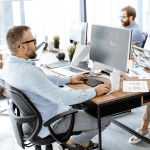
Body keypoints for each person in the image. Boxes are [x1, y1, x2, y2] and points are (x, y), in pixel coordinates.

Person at [2, 25, 111, 150]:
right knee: (105, 118)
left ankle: (78, 141)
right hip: (53, 121)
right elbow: (63, 97)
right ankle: (72, 142)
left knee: (81, 103)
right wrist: (94, 91)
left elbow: (43, 79)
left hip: (33, 121)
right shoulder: (29, 72)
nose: (36, 44)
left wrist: (69, 79)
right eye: (33, 41)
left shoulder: (9, 67)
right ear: (22, 47)